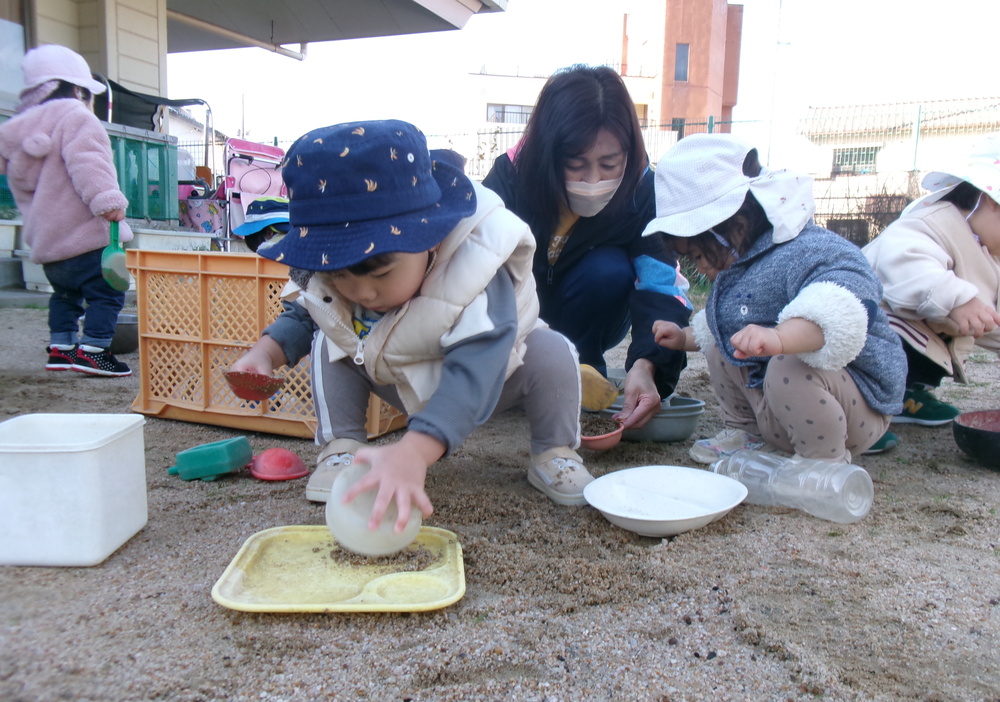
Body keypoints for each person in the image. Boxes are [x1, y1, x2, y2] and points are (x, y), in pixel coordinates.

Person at [231, 120, 595, 532]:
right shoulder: (338, 280)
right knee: (326, 341)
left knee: (553, 352)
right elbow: (305, 312)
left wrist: (416, 451)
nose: (362, 292)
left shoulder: (476, 267)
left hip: (495, 375)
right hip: (398, 376)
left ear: (432, 236)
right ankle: (342, 449)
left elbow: (480, 363)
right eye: (340, 276)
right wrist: (264, 354)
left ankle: (554, 452)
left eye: (380, 272)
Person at [643, 134, 906, 464]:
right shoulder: (741, 261)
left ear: (733, 227)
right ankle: (748, 434)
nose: (699, 268)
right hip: (780, 409)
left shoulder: (808, 249)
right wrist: (684, 337)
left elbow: (840, 310)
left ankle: (821, 464)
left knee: (787, 365)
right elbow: (723, 324)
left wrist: (779, 338)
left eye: (697, 255)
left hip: (855, 403)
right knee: (723, 344)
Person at [482, 64, 692, 429]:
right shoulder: (511, 179)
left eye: (609, 164)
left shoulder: (641, 191)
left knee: (607, 269)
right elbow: (472, 268)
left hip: (594, 314)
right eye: (575, 164)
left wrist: (647, 365)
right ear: (549, 155)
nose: (593, 180)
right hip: (519, 316)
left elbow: (661, 286)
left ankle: (584, 367)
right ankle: (527, 370)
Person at [0, 44, 133, 376]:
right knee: (108, 293)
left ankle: (61, 349)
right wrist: (109, 202)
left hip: (49, 244)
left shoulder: (18, 129)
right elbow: (89, 163)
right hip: (86, 238)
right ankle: (95, 350)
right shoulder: (75, 117)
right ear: (76, 88)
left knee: (64, 297)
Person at [863, 133, 1000, 428]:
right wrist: (956, 298)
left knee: (937, 342)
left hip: (923, 336)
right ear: (990, 200)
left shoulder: (990, 252)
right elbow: (905, 261)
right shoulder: (933, 222)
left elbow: (992, 315)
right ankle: (862, 408)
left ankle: (908, 395)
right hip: (872, 321)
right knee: (891, 334)